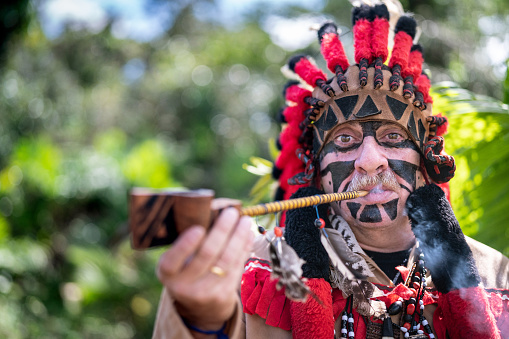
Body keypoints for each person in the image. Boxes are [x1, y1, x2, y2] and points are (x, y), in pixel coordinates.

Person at [152, 3, 509, 339]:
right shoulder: (246, 268)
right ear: (316, 171)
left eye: (392, 136)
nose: (370, 160)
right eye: (344, 140)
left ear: (426, 159)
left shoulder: (496, 276)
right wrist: (197, 312)